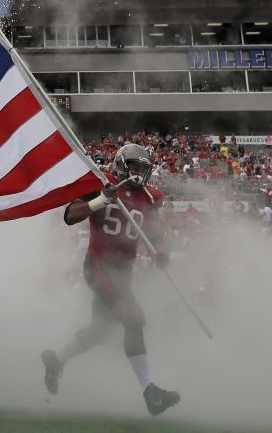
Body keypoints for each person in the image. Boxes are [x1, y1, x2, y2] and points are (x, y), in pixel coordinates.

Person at [41, 143, 182, 417]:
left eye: (143, 167)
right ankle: (150, 392)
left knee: (101, 331)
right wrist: (101, 200)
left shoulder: (150, 196)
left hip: (124, 270)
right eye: (134, 166)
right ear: (120, 164)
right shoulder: (102, 184)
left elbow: (155, 230)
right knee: (134, 319)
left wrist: (162, 251)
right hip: (99, 264)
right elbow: (70, 215)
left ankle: (56, 361)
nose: (138, 172)